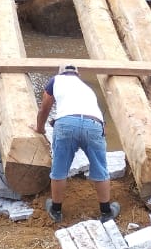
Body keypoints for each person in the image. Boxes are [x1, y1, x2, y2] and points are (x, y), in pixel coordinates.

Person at [36, 64, 120, 226]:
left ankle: (56, 210)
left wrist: (40, 129)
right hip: (94, 124)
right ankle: (105, 212)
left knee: (59, 168)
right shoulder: (87, 88)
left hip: (66, 123)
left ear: (61, 73)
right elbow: (99, 117)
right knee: (100, 168)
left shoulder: (55, 80)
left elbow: (44, 108)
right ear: (78, 75)